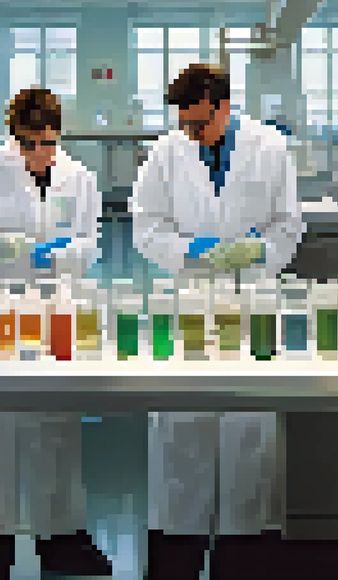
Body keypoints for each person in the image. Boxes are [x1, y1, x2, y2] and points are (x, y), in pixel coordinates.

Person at [130, 64, 305, 580]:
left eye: (199, 123)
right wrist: (188, 251)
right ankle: (177, 561)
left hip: (251, 303)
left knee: (249, 434)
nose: (190, 133)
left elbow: (288, 223)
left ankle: (244, 558)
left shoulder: (270, 148)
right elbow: (145, 224)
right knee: (181, 436)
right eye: (183, 123)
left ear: (221, 105)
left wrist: (257, 253)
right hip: (190, 302)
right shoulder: (166, 152)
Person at [0, 87, 112, 580]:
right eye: (30, 142)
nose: (40, 152)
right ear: (13, 135)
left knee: (54, 427)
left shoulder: (77, 176)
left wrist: (61, 254)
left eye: (48, 142)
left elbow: (90, 243)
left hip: (53, 310)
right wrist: (7, 247)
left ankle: (59, 538)